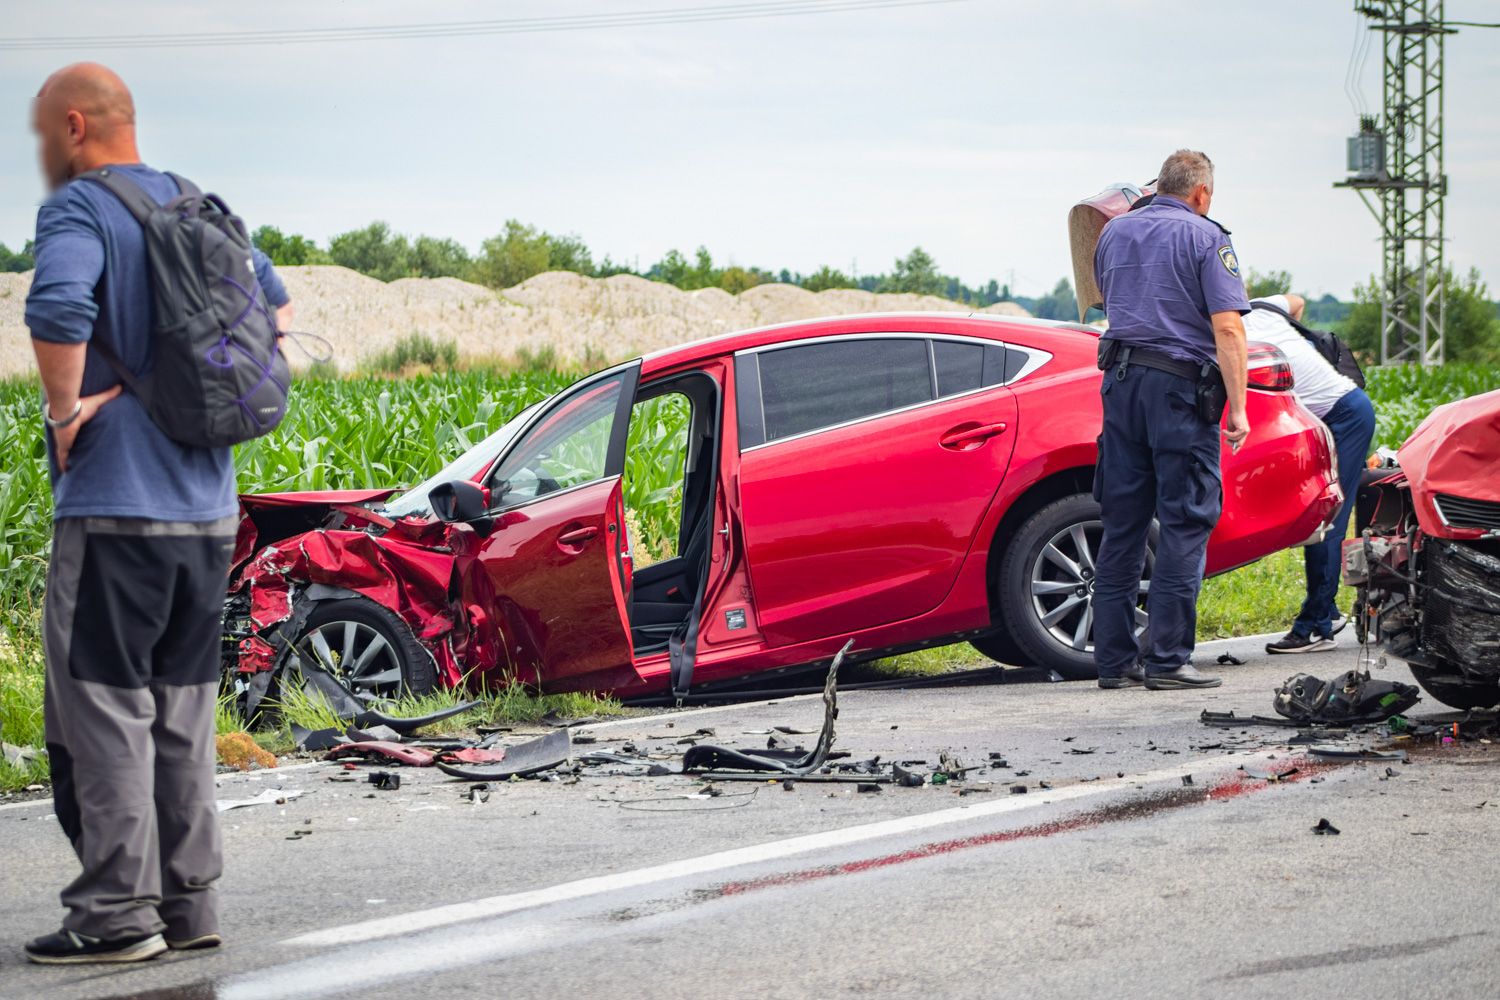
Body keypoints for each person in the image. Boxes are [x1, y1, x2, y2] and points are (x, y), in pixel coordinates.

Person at [23, 63, 291, 965]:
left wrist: (69, 416)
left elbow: (58, 305)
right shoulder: (199, 206)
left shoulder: (80, 211)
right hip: (208, 515)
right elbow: (275, 324)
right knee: (182, 711)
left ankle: (114, 917)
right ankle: (189, 906)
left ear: (72, 126)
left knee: (102, 711)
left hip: (114, 513)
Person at [1091, 150, 1250, 691]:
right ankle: (1167, 660)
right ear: (1201, 193)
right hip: (1179, 391)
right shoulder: (1208, 238)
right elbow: (1228, 330)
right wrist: (1240, 408)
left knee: (1123, 521)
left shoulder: (1113, 234)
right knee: (1185, 520)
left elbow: (1105, 301)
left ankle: (1112, 662)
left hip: (1120, 387)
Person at [1245, 292, 1375, 653]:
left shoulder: (1227, 333)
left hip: (1345, 414)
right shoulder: (1263, 306)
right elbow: (1298, 301)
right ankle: (1328, 609)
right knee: (1317, 514)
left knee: (1327, 518)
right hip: (1321, 417)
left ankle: (1316, 626)